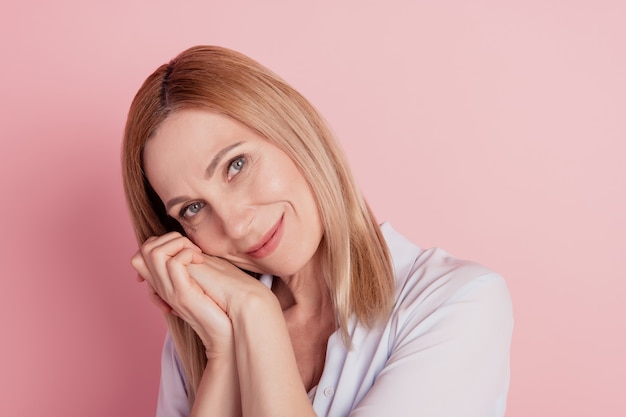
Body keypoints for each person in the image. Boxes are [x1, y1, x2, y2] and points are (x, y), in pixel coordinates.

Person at [122, 45, 513, 417]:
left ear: (295, 131)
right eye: (193, 208)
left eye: (236, 165)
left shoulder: (456, 303)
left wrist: (257, 315)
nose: (236, 225)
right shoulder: (202, 332)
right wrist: (224, 351)